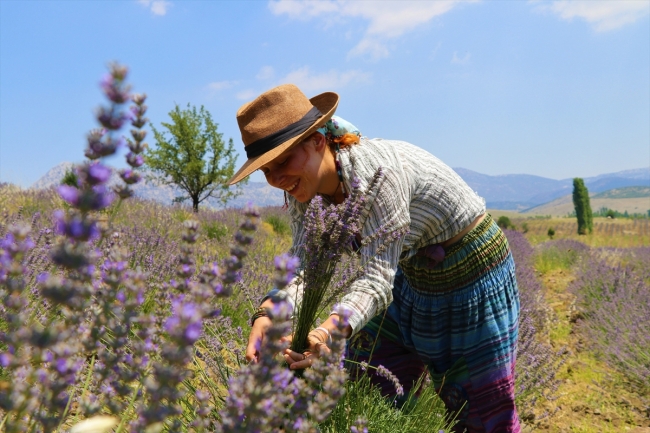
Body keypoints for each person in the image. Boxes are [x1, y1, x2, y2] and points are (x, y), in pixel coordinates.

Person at [229, 84, 521, 433]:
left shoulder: (377, 175)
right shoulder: (304, 192)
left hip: (470, 277)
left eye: (283, 162)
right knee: (370, 385)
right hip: (409, 278)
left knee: (480, 412)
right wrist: (269, 313)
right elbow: (306, 265)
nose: (276, 179)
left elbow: (377, 278)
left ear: (317, 141)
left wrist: (324, 333)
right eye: (266, 170)